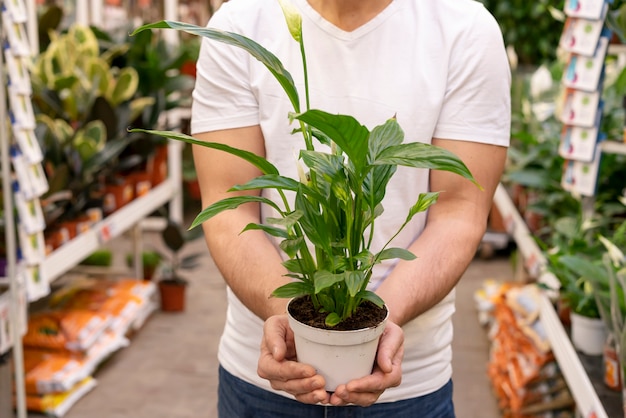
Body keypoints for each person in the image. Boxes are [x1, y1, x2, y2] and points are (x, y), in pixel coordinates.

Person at [190, 0, 511, 416]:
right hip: (264, 382)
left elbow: (460, 211)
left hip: (407, 388)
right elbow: (228, 206)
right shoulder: (240, 23)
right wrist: (291, 323)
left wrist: (374, 326)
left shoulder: (465, 28)